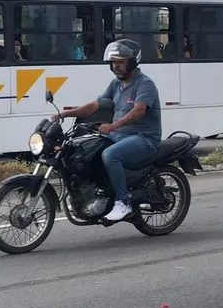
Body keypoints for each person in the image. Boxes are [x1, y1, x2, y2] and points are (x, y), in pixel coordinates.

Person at [54, 39, 161, 221]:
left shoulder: (144, 84)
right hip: (119, 136)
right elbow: (94, 105)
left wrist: (113, 126)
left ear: (133, 62)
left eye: (120, 62)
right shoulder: (116, 85)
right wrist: (66, 114)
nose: (116, 67)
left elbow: (139, 111)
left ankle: (123, 203)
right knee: (85, 149)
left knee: (110, 155)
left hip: (144, 138)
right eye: (113, 63)